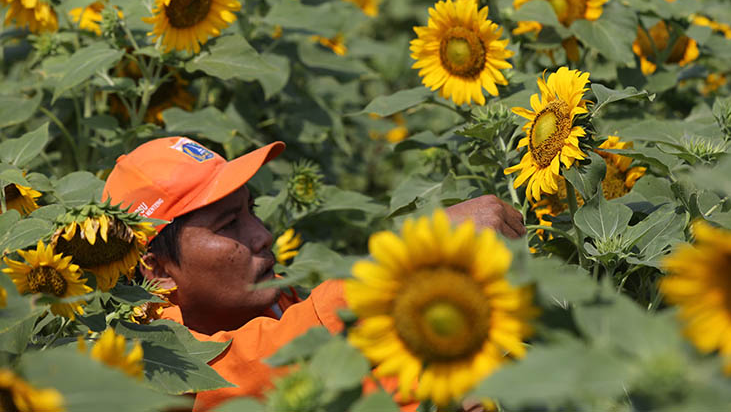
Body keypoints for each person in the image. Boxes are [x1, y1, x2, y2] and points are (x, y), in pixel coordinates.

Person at [102, 136, 525, 411]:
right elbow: (252, 364)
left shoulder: (277, 302)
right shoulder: (150, 365)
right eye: (228, 225)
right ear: (157, 268)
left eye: (251, 211)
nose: (262, 235)